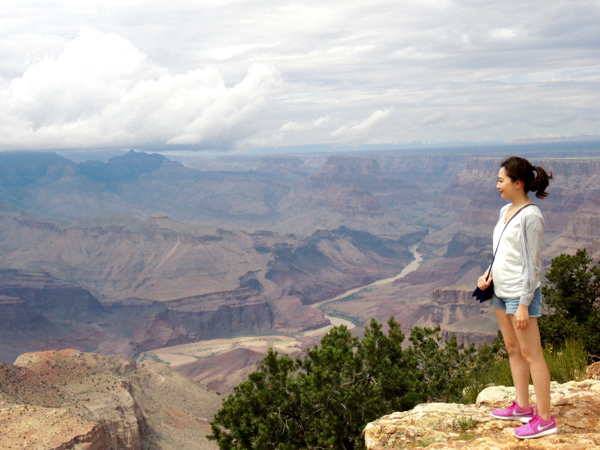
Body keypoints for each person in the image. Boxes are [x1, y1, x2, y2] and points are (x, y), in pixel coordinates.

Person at [477, 156, 557, 439]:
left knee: (532, 355)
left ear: (518, 183)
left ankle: (545, 418)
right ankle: (523, 406)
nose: (497, 185)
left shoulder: (531, 216)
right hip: (500, 290)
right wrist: (487, 274)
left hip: (520, 294)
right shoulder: (505, 211)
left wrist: (524, 304)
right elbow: (503, 252)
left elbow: (533, 265)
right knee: (512, 349)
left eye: (501, 180)